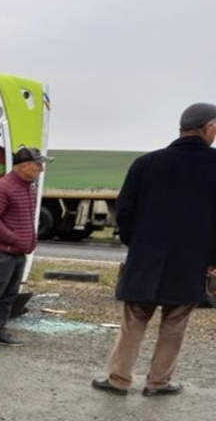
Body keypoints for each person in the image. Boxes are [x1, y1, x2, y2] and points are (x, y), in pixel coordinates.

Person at [92, 102, 216, 396]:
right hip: (191, 262)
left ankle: (119, 380)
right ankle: (158, 383)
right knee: (174, 325)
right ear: (209, 128)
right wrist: (212, 260)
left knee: (134, 321)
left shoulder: (146, 164)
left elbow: (124, 211)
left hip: (146, 258)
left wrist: (138, 244)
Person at [0, 145, 51, 351]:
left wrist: (30, 241)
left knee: (8, 296)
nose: (41, 170)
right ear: (23, 166)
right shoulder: (2, 188)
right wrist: (13, 239)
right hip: (0, 254)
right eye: (37, 165)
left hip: (18, 254)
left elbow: (26, 219)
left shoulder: (29, 188)